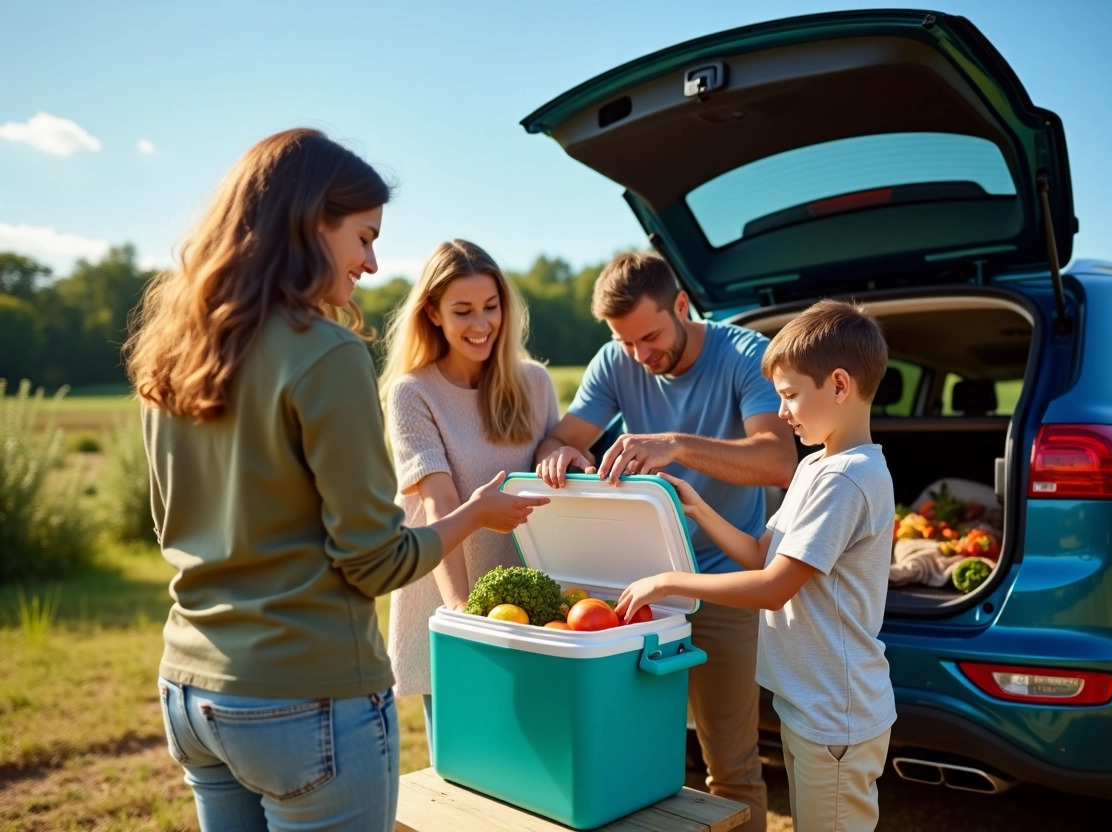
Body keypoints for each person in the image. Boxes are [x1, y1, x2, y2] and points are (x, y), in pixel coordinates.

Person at [124, 128, 547, 832]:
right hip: (305, 699)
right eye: (364, 236)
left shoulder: (176, 345)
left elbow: (171, 526)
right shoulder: (326, 354)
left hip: (191, 689)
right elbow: (377, 560)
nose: (372, 263)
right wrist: (475, 514)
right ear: (312, 222)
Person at [535, 250, 796, 831]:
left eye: (649, 337)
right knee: (623, 761)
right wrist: (562, 455)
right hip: (638, 587)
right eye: (626, 342)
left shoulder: (745, 355)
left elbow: (780, 460)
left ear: (682, 305)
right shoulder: (616, 362)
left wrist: (676, 443)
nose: (639, 356)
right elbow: (561, 437)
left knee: (730, 768)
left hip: (724, 585)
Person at [616, 299, 896, 832]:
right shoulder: (817, 465)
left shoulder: (848, 479)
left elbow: (773, 588)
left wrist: (668, 581)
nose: (783, 412)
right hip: (810, 704)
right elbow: (762, 552)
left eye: (790, 395)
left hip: (837, 712)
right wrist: (698, 507)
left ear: (840, 385)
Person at [378, 239, 559, 757]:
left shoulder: (535, 382)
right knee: (466, 769)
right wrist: (460, 612)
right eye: (463, 311)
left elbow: (551, 454)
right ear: (433, 313)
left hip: (530, 601)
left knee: (533, 763)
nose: (481, 324)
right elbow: (439, 505)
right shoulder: (412, 392)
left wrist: (559, 448)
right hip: (445, 595)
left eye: (491, 307)